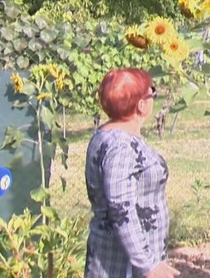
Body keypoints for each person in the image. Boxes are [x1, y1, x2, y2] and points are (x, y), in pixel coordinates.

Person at [84, 68, 179, 278]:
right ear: (141, 105)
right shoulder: (120, 147)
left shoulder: (109, 135)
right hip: (123, 266)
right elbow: (121, 210)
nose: (154, 97)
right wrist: (148, 265)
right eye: (151, 92)